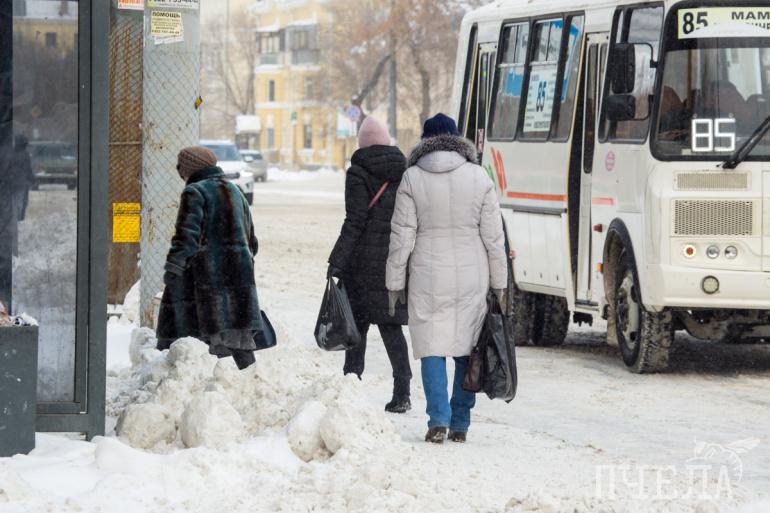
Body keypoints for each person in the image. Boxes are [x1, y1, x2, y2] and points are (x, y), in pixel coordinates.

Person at [386, 114, 507, 443]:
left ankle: (438, 419)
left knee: (432, 347)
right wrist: (500, 283)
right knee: (468, 349)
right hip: (472, 275)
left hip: (428, 275)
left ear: (424, 142)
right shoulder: (478, 177)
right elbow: (494, 238)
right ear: (457, 140)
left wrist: (394, 283)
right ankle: (460, 423)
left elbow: (401, 237)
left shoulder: (412, 178)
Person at [329, 116, 413, 414]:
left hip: (361, 264)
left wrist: (337, 260)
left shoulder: (358, 173)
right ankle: (402, 392)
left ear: (362, 143)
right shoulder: (405, 172)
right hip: (393, 263)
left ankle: (351, 387)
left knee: (357, 327)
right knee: (391, 328)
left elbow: (355, 221)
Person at [156, 146, 262, 370]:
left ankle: (173, 378)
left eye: (181, 167)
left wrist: (174, 268)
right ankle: (249, 380)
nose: (179, 172)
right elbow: (252, 240)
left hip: (205, 278)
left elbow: (186, 238)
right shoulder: (234, 190)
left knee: (183, 334)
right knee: (235, 337)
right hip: (238, 277)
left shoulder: (194, 192)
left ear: (190, 168)